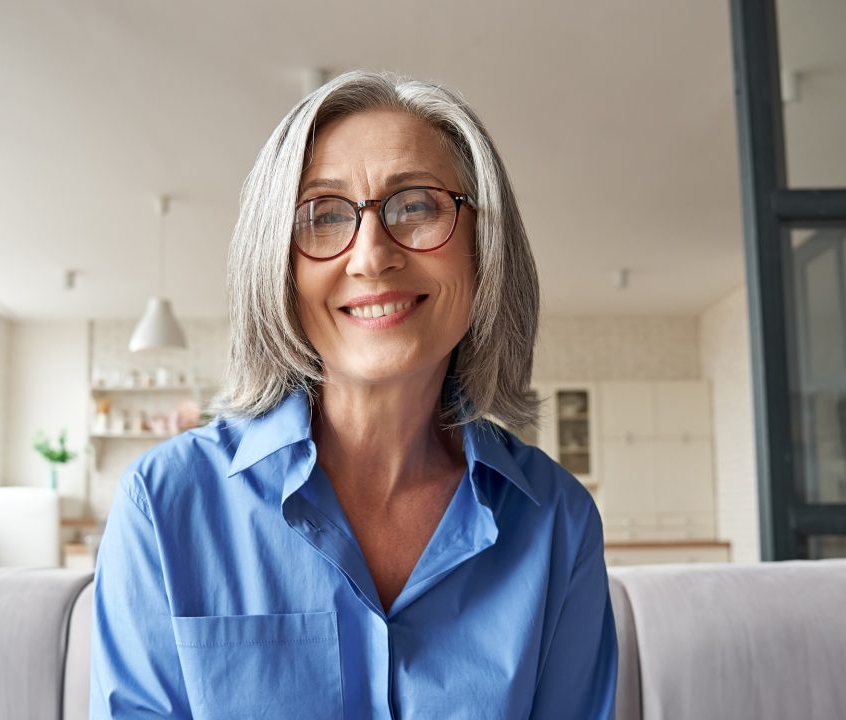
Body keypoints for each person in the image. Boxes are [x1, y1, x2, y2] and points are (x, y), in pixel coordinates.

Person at [90, 70, 617, 719]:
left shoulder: (558, 523)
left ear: (485, 245)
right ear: (276, 264)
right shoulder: (164, 505)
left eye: (417, 206)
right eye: (322, 215)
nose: (371, 256)